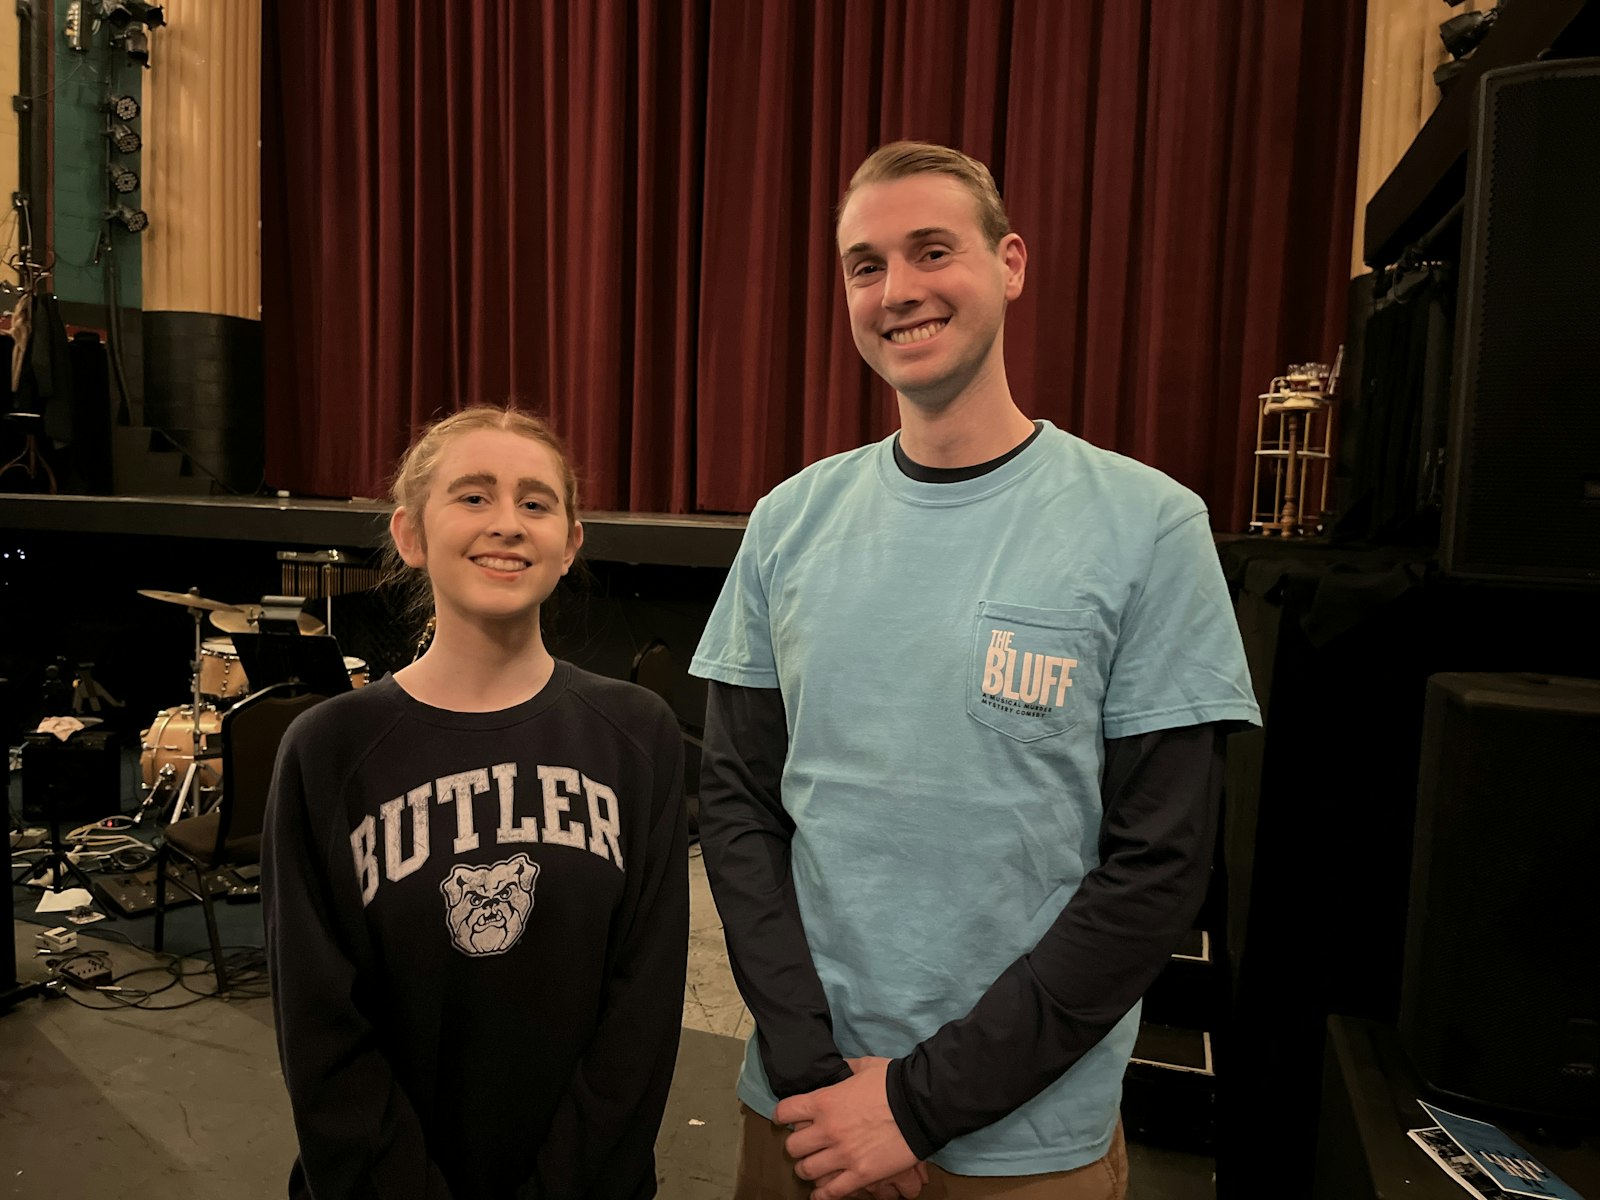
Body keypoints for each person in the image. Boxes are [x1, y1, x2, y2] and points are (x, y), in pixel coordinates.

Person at [690, 141, 1261, 1200]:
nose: (897, 290)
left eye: (930, 250)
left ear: (1009, 263)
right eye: (866, 265)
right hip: (804, 1120)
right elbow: (736, 809)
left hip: (1024, 1144)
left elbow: (1157, 873)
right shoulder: (787, 522)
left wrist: (916, 1105)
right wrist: (824, 1082)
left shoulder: (1148, 526)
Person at [263, 405, 689, 1199]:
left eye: (535, 502)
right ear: (410, 535)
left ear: (570, 544)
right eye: (472, 496)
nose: (507, 524)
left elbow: (643, 1012)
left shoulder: (635, 736)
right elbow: (321, 1032)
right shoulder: (328, 752)